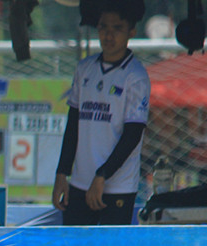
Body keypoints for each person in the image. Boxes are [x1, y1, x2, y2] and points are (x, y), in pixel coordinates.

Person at [52, 4, 149, 226]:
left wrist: (103, 175)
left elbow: (133, 134)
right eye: (104, 27)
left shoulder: (136, 76)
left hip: (117, 187)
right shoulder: (85, 68)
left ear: (131, 32)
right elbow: (73, 125)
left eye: (117, 28)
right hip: (80, 183)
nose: (109, 35)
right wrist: (62, 173)